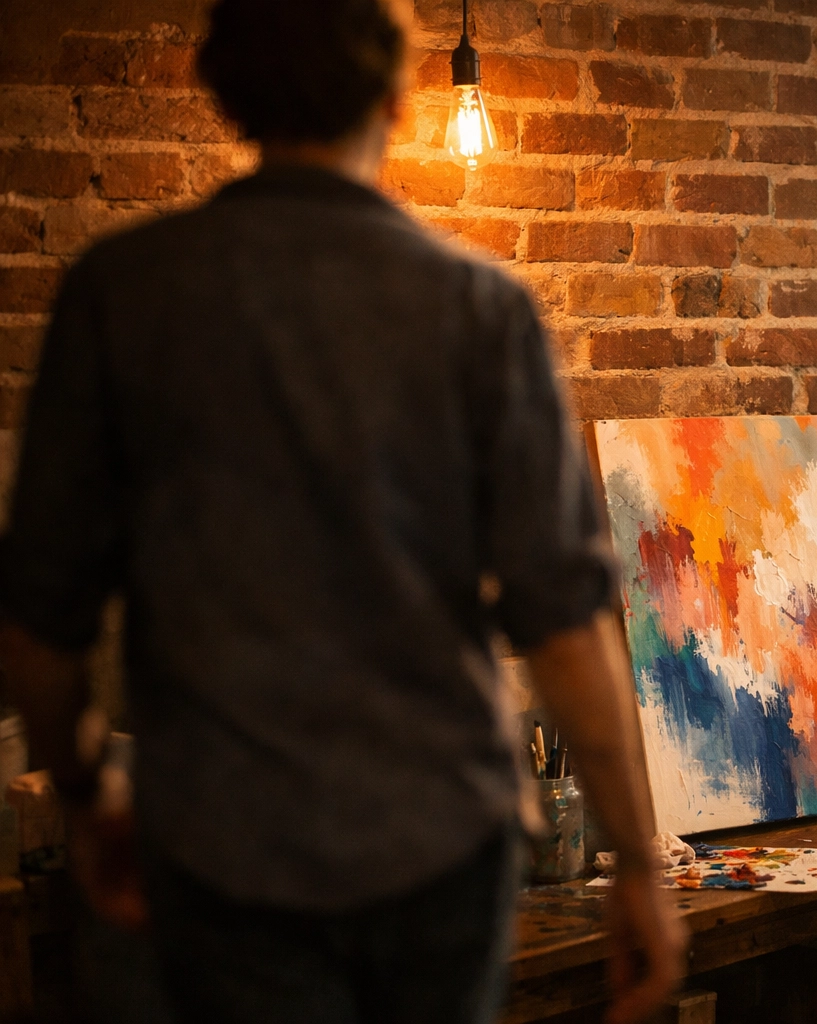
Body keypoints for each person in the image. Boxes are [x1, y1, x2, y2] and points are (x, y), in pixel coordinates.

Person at [0, 1, 685, 1021]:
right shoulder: (482, 311)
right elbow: (566, 618)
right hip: (441, 841)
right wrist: (638, 860)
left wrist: (90, 787)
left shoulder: (121, 293)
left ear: (218, 83)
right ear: (399, 92)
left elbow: (39, 620)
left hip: (218, 842)